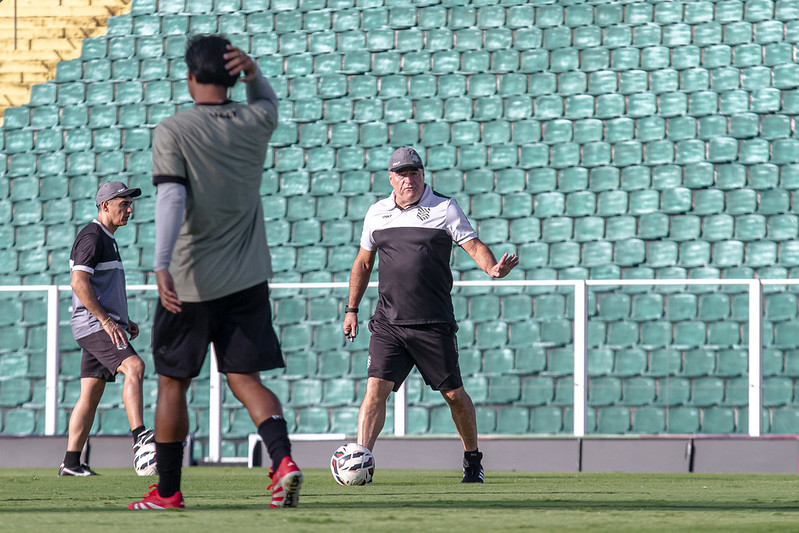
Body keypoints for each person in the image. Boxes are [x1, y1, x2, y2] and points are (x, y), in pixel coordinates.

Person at [128, 35, 301, 511]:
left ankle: (167, 492)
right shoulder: (255, 120)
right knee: (245, 379)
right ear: (232, 75)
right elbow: (268, 101)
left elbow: (171, 198)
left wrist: (161, 262)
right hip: (247, 277)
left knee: (172, 383)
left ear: (190, 77)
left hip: (189, 282)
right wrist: (254, 72)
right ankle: (283, 461)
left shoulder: (174, 129)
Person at [342, 146, 520, 483]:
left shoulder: (444, 208)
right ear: (391, 178)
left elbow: (473, 245)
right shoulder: (376, 213)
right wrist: (351, 309)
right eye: (402, 174)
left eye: (414, 172)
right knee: (375, 391)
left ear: (423, 174)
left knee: (454, 396)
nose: (408, 179)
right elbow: (363, 263)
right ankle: (361, 462)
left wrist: (492, 268)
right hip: (389, 324)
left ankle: (472, 460)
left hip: (432, 323)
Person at [60, 181, 152, 477]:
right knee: (135, 367)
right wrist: (107, 321)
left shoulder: (106, 238)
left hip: (99, 324)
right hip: (94, 325)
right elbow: (78, 283)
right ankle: (140, 438)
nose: (130, 210)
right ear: (105, 206)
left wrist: (123, 319)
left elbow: (102, 286)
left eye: (130, 204)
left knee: (91, 392)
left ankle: (71, 463)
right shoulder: (92, 237)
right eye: (124, 204)